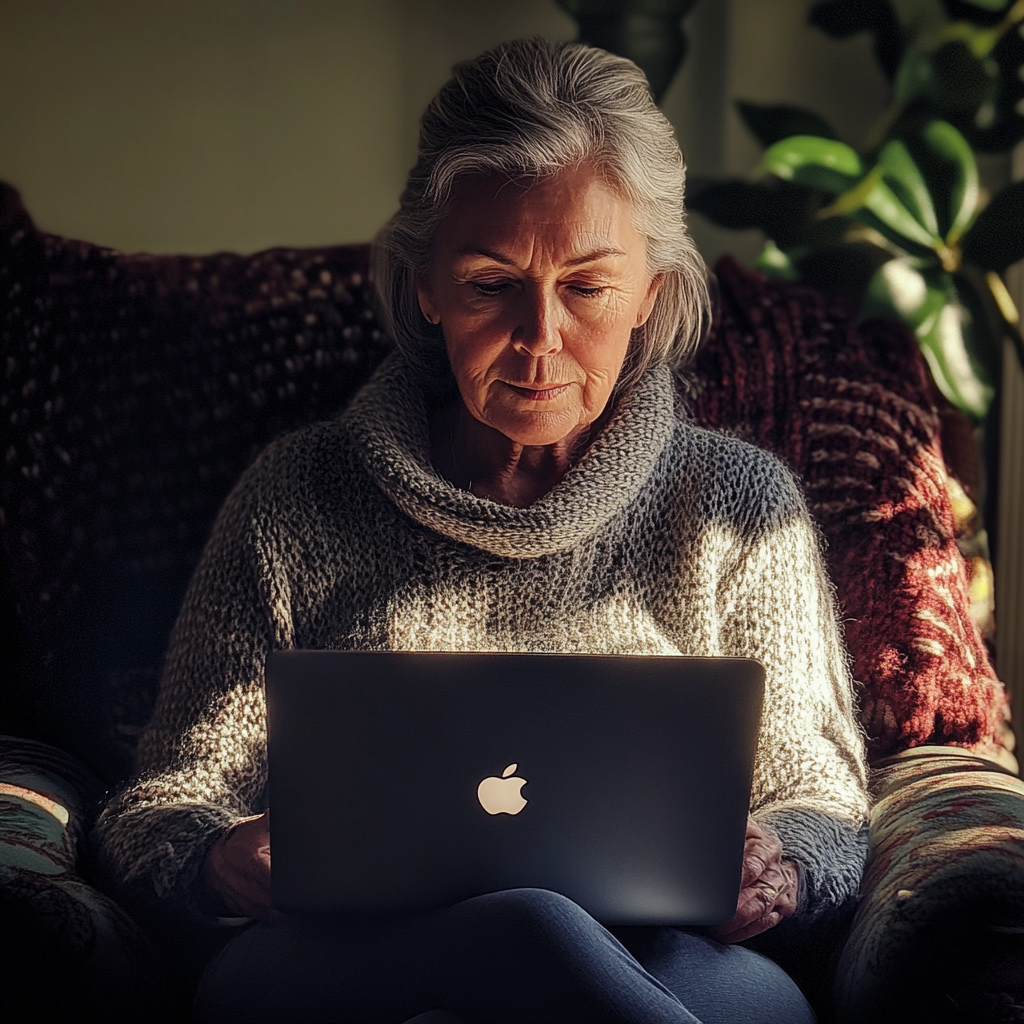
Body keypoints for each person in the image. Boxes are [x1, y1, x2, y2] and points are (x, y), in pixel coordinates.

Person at [93, 37, 869, 1024]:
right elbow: (163, 800)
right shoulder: (296, 498)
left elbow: (823, 798)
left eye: (587, 286)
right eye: (492, 282)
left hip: (662, 962)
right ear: (427, 287)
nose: (540, 338)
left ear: (651, 294)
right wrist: (218, 855)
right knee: (502, 936)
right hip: (358, 963)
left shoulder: (737, 508)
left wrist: (783, 864)